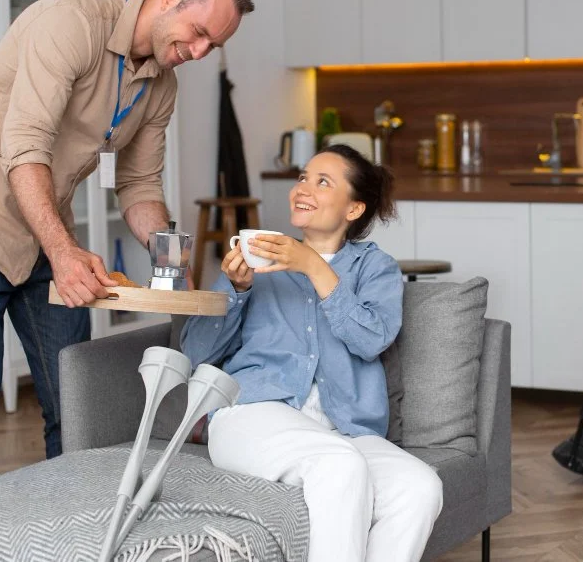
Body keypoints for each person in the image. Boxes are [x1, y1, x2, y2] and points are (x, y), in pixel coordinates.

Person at [0, 0, 254, 496]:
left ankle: (74, 533)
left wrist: (172, 261)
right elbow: (24, 144)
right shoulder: (70, 23)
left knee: (71, 401)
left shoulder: (161, 85)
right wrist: (64, 250)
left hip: (46, 230)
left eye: (212, 46)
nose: (198, 53)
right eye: (197, 34)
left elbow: (140, 184)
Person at [180, 144, 443, 562]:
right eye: (303, 177)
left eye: (323, 182)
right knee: (338, 466)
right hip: (251, 413)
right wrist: (236, 289)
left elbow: (371, 339)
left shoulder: (375, 269)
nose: (303, 188)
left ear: (353, 209)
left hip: (345, 430)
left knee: (420, 486)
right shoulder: (259, 259)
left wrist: (313, 267)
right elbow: (197, 350)